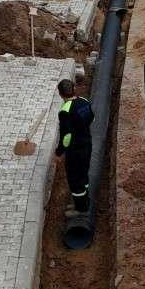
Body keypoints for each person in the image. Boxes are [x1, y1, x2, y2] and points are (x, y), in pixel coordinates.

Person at [55, 79, 94, 217]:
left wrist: (59, 153)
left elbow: (66, 137)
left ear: (60, 94)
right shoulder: (84, 101)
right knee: (83, 174)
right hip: (87, 145)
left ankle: (81, 209)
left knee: (75, 179)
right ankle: (84, 201)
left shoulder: (65, 111)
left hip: (75, 151)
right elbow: (92, 118)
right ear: (74, 89)